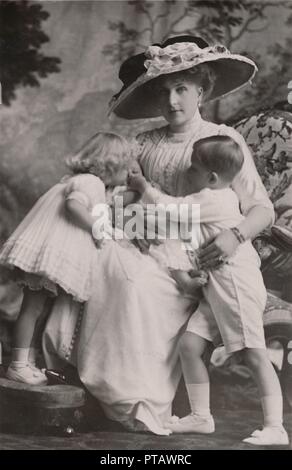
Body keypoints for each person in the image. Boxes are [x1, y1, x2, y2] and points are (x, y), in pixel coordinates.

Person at [43, 36, 277, 443]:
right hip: (142, 240)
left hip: (192, 259)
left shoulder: (222, 142)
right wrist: (115, 217)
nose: (172, 101)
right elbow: (123, 200)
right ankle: (71, 384)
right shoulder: (144, 144)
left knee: (132, 287)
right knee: (97, 263)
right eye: (164, 91)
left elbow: (262, 209)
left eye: (182, 88)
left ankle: (130, 401)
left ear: (201, 89)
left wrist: (234, 236)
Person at [128, 134, 289, 446]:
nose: (188, 172)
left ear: (212, 178)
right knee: (189, 347)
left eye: (194, 168)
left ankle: (275, 426)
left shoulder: (212, 200)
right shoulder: (211, 198)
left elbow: (170, 208)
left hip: (236, 287)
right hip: (217, 288)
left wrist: (143, 188)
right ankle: (201, 416)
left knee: (253, 354)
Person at [0, 132, 132, 385]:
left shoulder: (78, 179)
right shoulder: (91, 183)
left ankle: (25, 361)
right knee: (32, 308)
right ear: (112, 165)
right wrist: (98, 229)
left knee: (35, 308)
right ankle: (17, 365)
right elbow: (74, 207)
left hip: (47, 251)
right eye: (126, 170)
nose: (127, 176)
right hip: (49, 253)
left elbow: (105, 203)